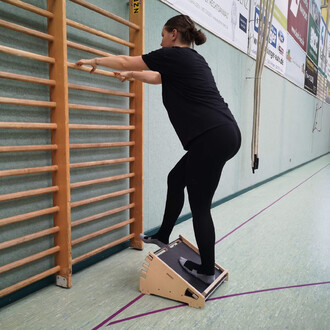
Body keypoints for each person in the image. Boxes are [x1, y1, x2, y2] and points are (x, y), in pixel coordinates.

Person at [76, 14, 241, 284]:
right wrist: (131, 75)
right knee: (176, 179)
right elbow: (156, 77)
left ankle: (206, 269)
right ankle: (163, 234)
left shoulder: (173, 55)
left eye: (163, 34)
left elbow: (127, 59)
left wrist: (96, 61)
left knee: (200, 206)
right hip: (224, 133)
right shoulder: (192, 59)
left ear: (174, 34)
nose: (161, 39)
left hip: (212, 137)